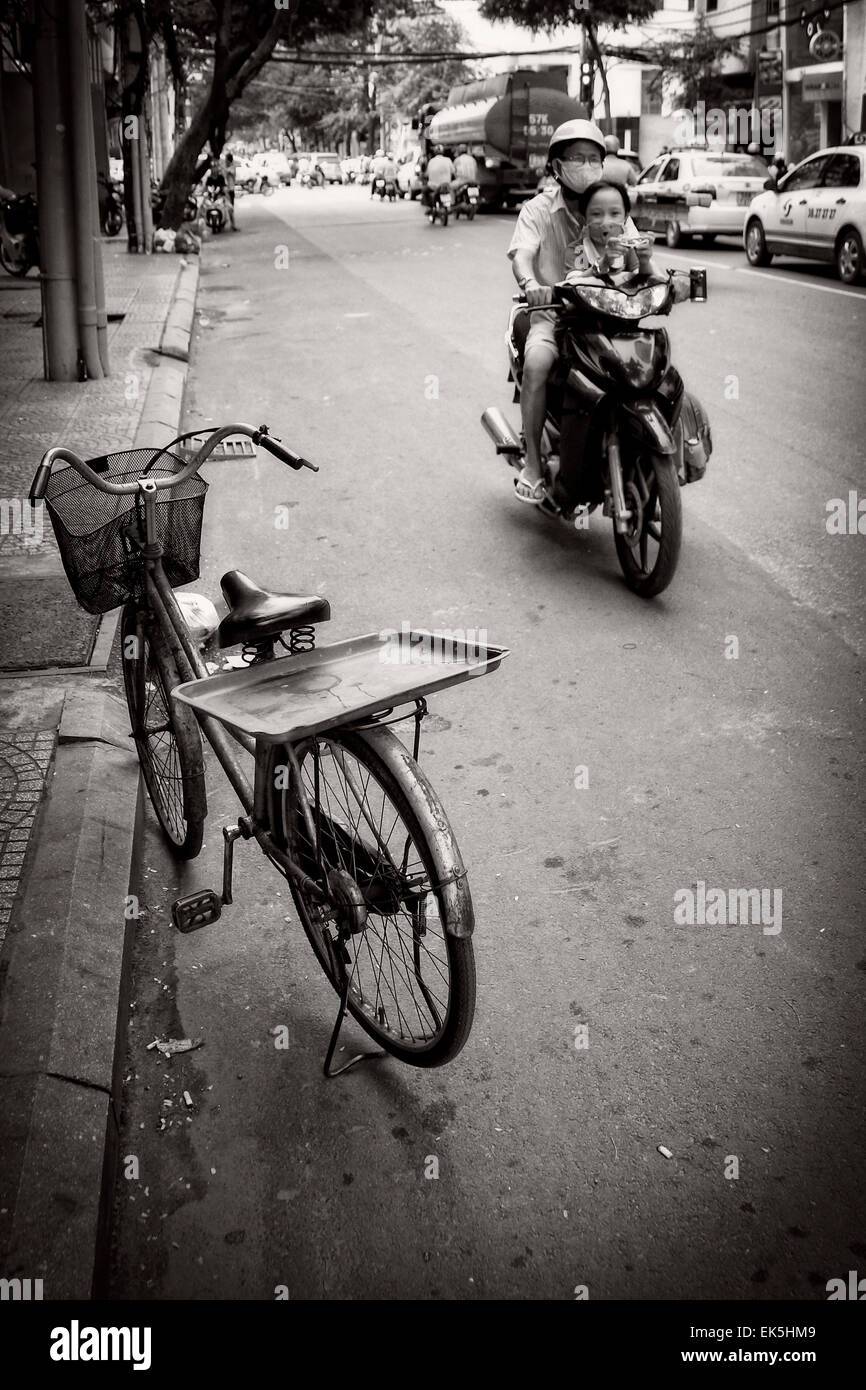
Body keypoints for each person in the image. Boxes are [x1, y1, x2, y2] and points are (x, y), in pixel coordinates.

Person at [507, 119, 643, 504]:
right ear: (556, 167)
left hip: (609, 314)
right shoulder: (537, 210)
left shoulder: (608, 208)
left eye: (593, 158)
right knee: (537, 365)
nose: (586, 166)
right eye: (576, 159)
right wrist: (530, 284)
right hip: (554, 314)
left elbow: (635, 252)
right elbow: (523, 254)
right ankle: (533, 465)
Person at [423, 143, 454, 207]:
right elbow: (453, 172)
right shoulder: (448, 160)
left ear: (435, 152)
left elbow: (426, 174)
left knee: (424, 190)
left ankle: (430, 207)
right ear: (443, 152)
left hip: (434, 186)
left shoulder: (431, 161)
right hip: (446, 186)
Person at [223, 152, 237, 229]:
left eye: (226, 160)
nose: (225, 161)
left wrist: (225, 169)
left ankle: (233, 224)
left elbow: (231, 173)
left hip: (230, 190)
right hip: (225, 190)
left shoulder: (232, 168)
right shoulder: (227, 167)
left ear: (229, 160)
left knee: (230, 208)